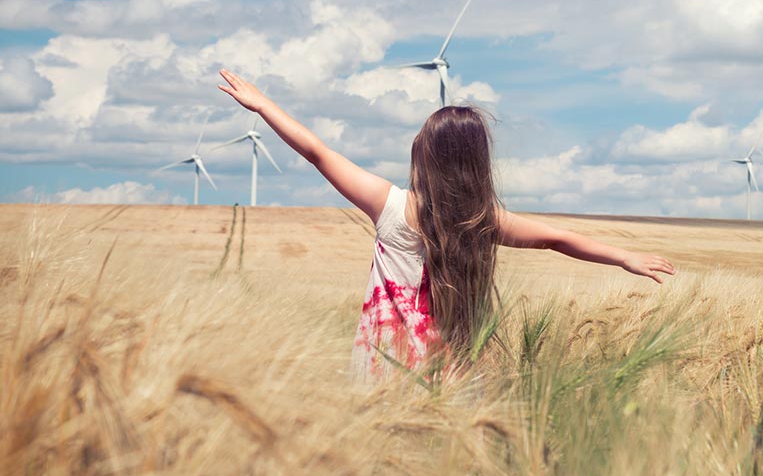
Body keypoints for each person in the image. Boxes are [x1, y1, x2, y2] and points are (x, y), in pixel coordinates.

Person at [216, 68, 675, 382]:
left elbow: (316, 152)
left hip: (380, 368)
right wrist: (625, 257)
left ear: (424, 155)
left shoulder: (390, 206)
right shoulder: (481, 221)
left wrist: (262, 105)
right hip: (452, 376)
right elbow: (558, 239)